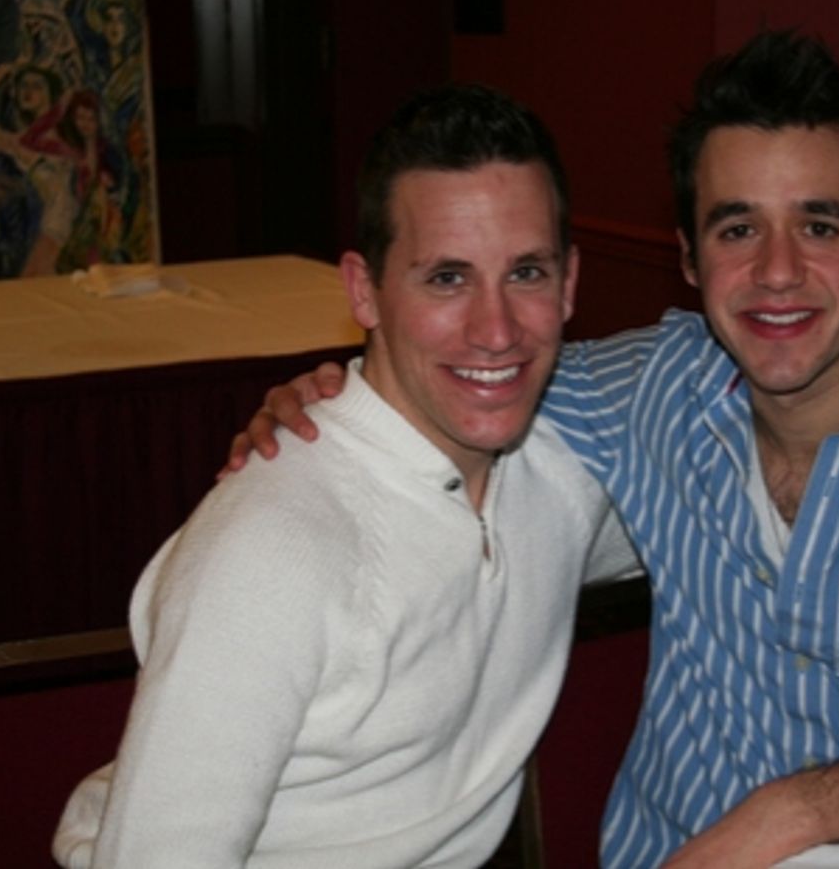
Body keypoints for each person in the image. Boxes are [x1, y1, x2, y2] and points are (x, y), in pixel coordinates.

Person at [227, 29, 839, 867]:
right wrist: (339, 402)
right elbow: (472, 366)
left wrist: (796, 814)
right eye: (738, 228)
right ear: (690, 258)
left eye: (820, 225)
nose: (777, 271)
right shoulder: (655, 388)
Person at [52, 83, 637, 868]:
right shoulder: (272, 548)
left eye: (526, 272)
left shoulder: (563, 474)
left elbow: (734, 488)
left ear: (568, 284)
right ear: (364, 290)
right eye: (447, 278)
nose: (496, 330)